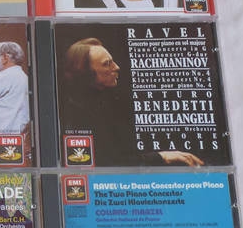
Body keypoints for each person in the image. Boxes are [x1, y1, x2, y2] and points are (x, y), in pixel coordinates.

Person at [61, 37, 204, 166]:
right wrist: (162, 157)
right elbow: (112, 163)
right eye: (107, 64)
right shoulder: (76, 116)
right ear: (85, 72)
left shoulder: (105, 103)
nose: (116, 67)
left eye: (112, 61)